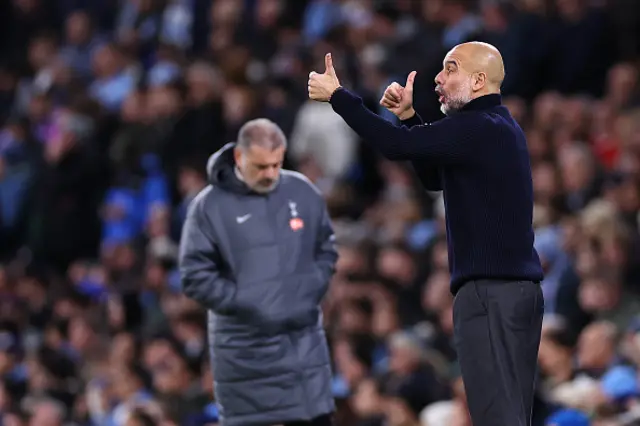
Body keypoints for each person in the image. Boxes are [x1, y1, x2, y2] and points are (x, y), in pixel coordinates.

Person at [308, 43, 545, 426]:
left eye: (450, 69)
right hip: (510, 291)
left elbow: (396, 148)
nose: (438, 77)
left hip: (490, 292)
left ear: (479, 80)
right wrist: (408, 117)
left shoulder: (478, 126)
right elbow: (434, 175)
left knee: (496, 416)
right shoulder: (497, 127)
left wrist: (339, 97)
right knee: (510, 415)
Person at [178, 118, 338, 426]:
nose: (270, 175)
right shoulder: (208, 206)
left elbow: (326, 247)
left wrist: (310, 289)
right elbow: (194, 275)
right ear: (239, 157)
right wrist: (246, 301)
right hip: (244, 357)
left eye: (276, 165)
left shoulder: (301, 192)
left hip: (303, 353)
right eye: (261, 167)